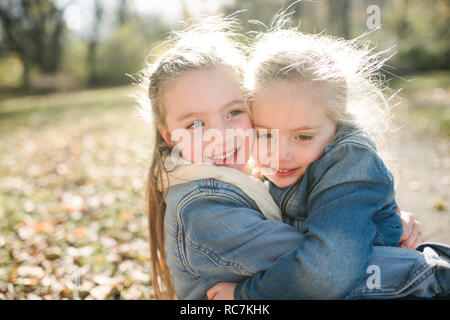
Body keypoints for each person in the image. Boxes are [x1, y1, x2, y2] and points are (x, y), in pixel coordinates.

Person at [139, 17, 448, 300]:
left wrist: (375, 219)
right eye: (195, 124)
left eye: (233, 112)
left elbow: (326, 239)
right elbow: (326, 265)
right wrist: (396, 240)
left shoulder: (242, 176)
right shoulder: (203, 208)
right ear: (169, 136)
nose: (221, 134)